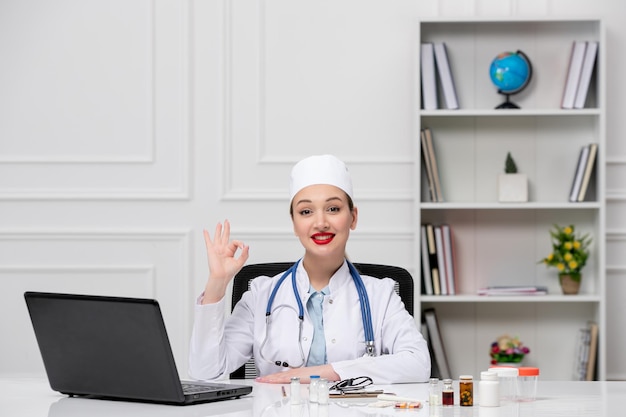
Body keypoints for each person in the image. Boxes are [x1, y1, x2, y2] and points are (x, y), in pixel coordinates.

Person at [189, 155, 430, 384]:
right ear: (294, 223)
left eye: (333, 209)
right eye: (306, 211)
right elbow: (206, 374)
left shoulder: (381, 295)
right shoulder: (260, 295)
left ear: (353, 217)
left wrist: (325, 373)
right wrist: (217, 282)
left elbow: (418, 362)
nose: (321, 222)